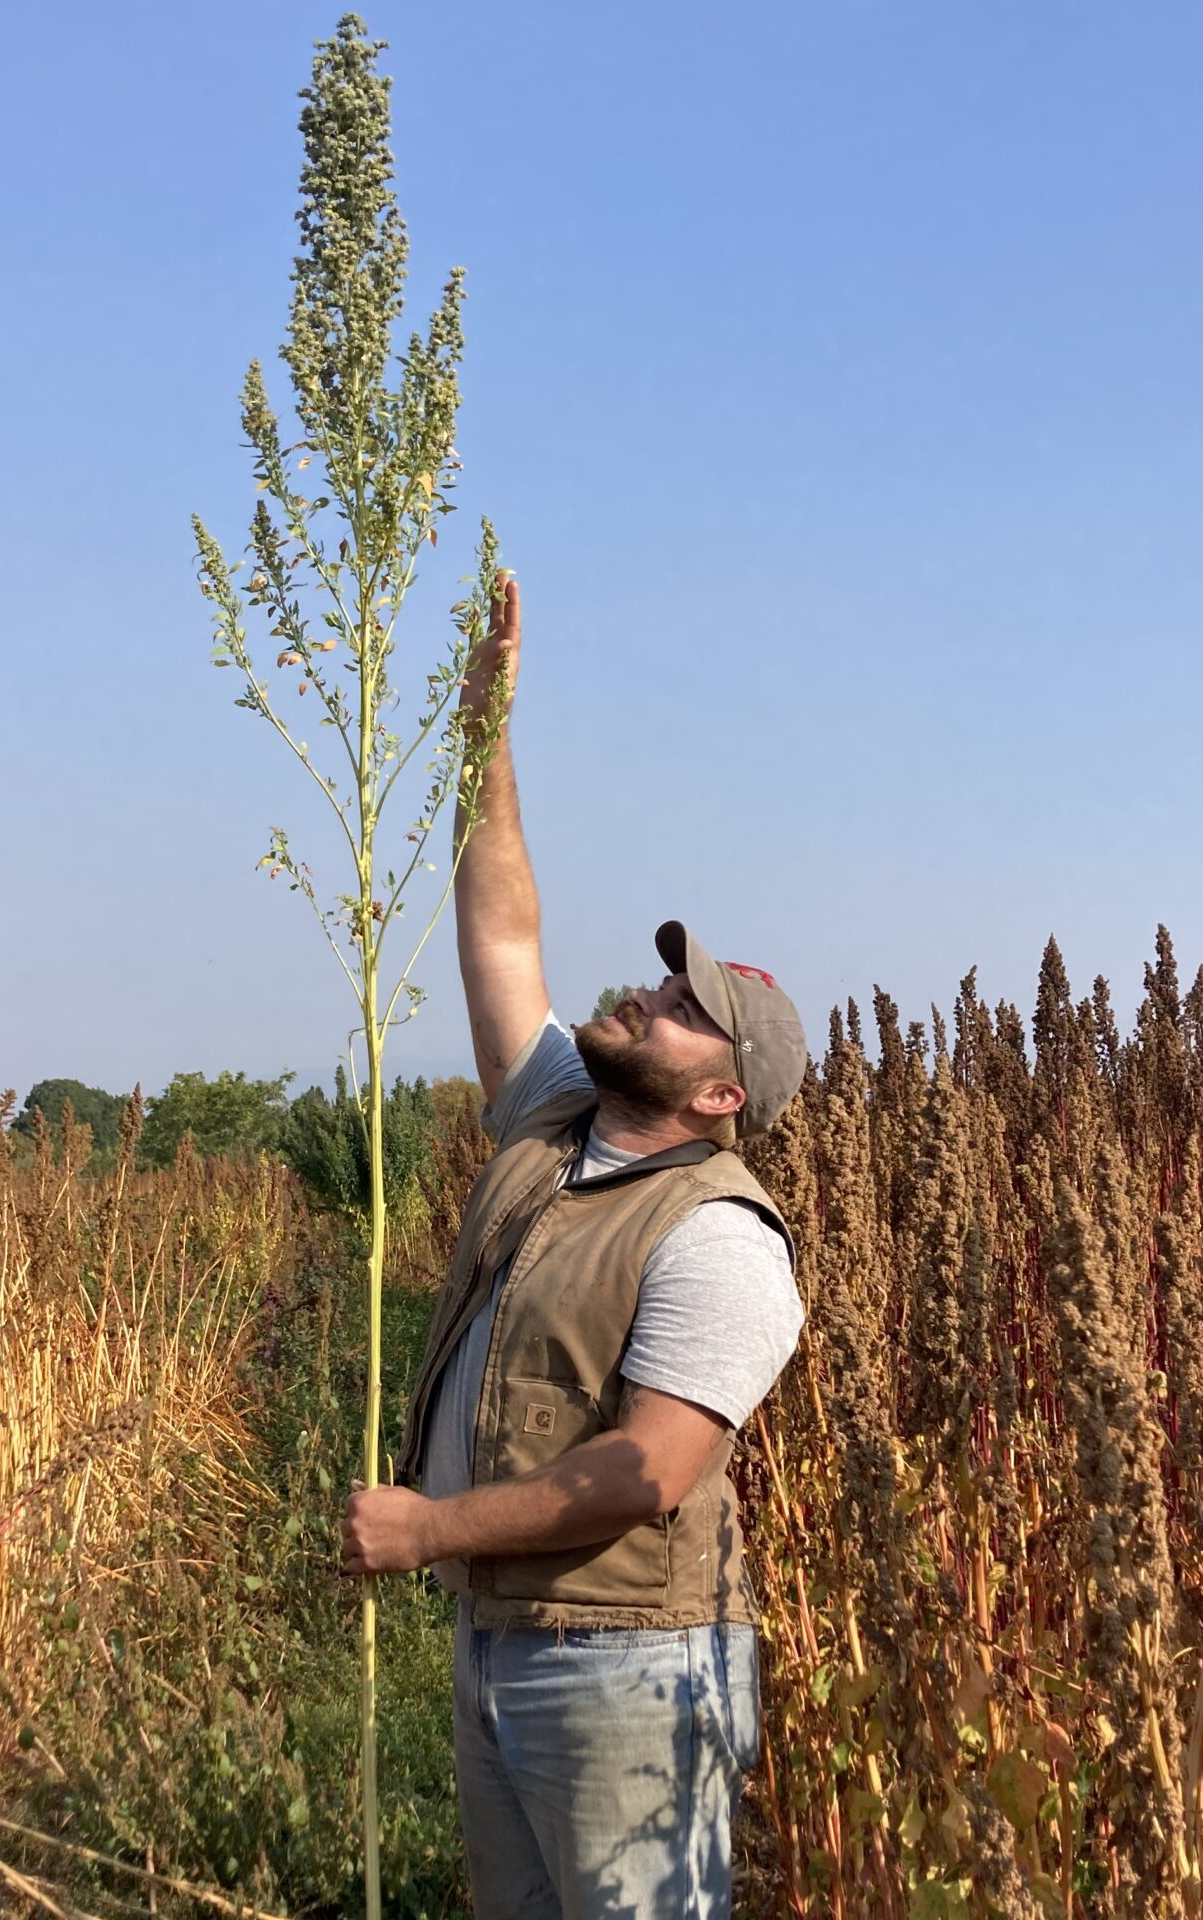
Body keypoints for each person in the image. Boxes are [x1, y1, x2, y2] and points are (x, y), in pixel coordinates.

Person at [340, 575, 809, 1920]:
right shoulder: (556, 1120)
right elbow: (499, 927)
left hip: (627, 1669)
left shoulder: (719, 1235)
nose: (647, 997)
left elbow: (643, 1473)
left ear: (723, 1096)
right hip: (504, 1647)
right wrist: (483, 725)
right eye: (663, 980)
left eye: (683, 1009)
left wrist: (431, 1528)